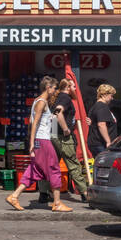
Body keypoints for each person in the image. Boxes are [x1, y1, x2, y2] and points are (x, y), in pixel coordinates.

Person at [6, 76, 71, 212]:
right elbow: (34, 123)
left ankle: (14, 196)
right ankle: (57, 203)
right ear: (48, 88)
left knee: (34, 170)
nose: (55, 91)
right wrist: (31, 143)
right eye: (54, 88)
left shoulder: (38, 101)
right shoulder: (42, 102)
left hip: (39, 140)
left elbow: (32, 121)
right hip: (43, 141)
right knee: (54, 168)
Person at [37, 77, 90, 205]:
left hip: (53, 135)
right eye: (73, 87)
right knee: (73, 164)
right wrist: (66, 130)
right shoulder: (65, 98)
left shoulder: (54, 98)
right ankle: (85, 194)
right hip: (63, 138)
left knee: (48, 164)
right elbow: (57, 113)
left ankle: (43, 194)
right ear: (67, 87)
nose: (75, 89)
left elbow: (52, 118)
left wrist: (54, 134)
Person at [87, 83, 119, 160]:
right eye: (111, 95)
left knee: (101, 166)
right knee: (104, 167)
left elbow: (93, 122)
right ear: (104, 95)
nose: (112, 98)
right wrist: (108, 141)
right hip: (101, 144)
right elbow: (101, 124)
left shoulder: (96, 106)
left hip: (96, 143)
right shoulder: (102, 107)